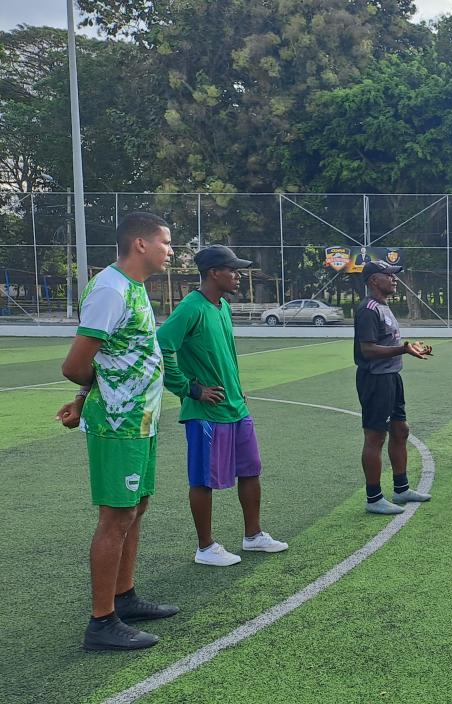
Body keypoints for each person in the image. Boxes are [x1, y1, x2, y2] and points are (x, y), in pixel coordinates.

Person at [57, 212, 179, 650]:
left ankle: (123, 598)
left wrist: (83, 397)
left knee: (136, 507)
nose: (171, 250)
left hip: (140, 419)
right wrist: (88, 398)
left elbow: (113, 356)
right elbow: (74, 365)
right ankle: (101, 621)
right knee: (116, 517)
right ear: (141, 244)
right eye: (166, 242)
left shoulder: (134, 287)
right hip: (118, 422)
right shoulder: (109, 289)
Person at [157, 245, 289, 566]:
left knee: (251, 470)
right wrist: (190, 389)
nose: (239, 276)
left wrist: (237, 389)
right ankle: (205, 548)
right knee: (203, 480)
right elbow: (161, 347)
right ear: (214, 273)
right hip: (205, 412)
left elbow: (226, 355)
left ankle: (253, 536)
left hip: (235, 408)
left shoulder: (223, 307)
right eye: (233, 270)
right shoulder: (191, 307)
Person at [352, 259, 433, 515]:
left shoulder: (384, 307)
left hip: (392, 377)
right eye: (389, 275)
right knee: (375, 437)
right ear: (374, 280)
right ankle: (374, 497)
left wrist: (411, 347)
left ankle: (401, 489)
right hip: (375, 380)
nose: (394, 279)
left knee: (400, 430)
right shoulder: (368, 309)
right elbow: (368, 349)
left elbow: (390, 342)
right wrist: (403, 349)